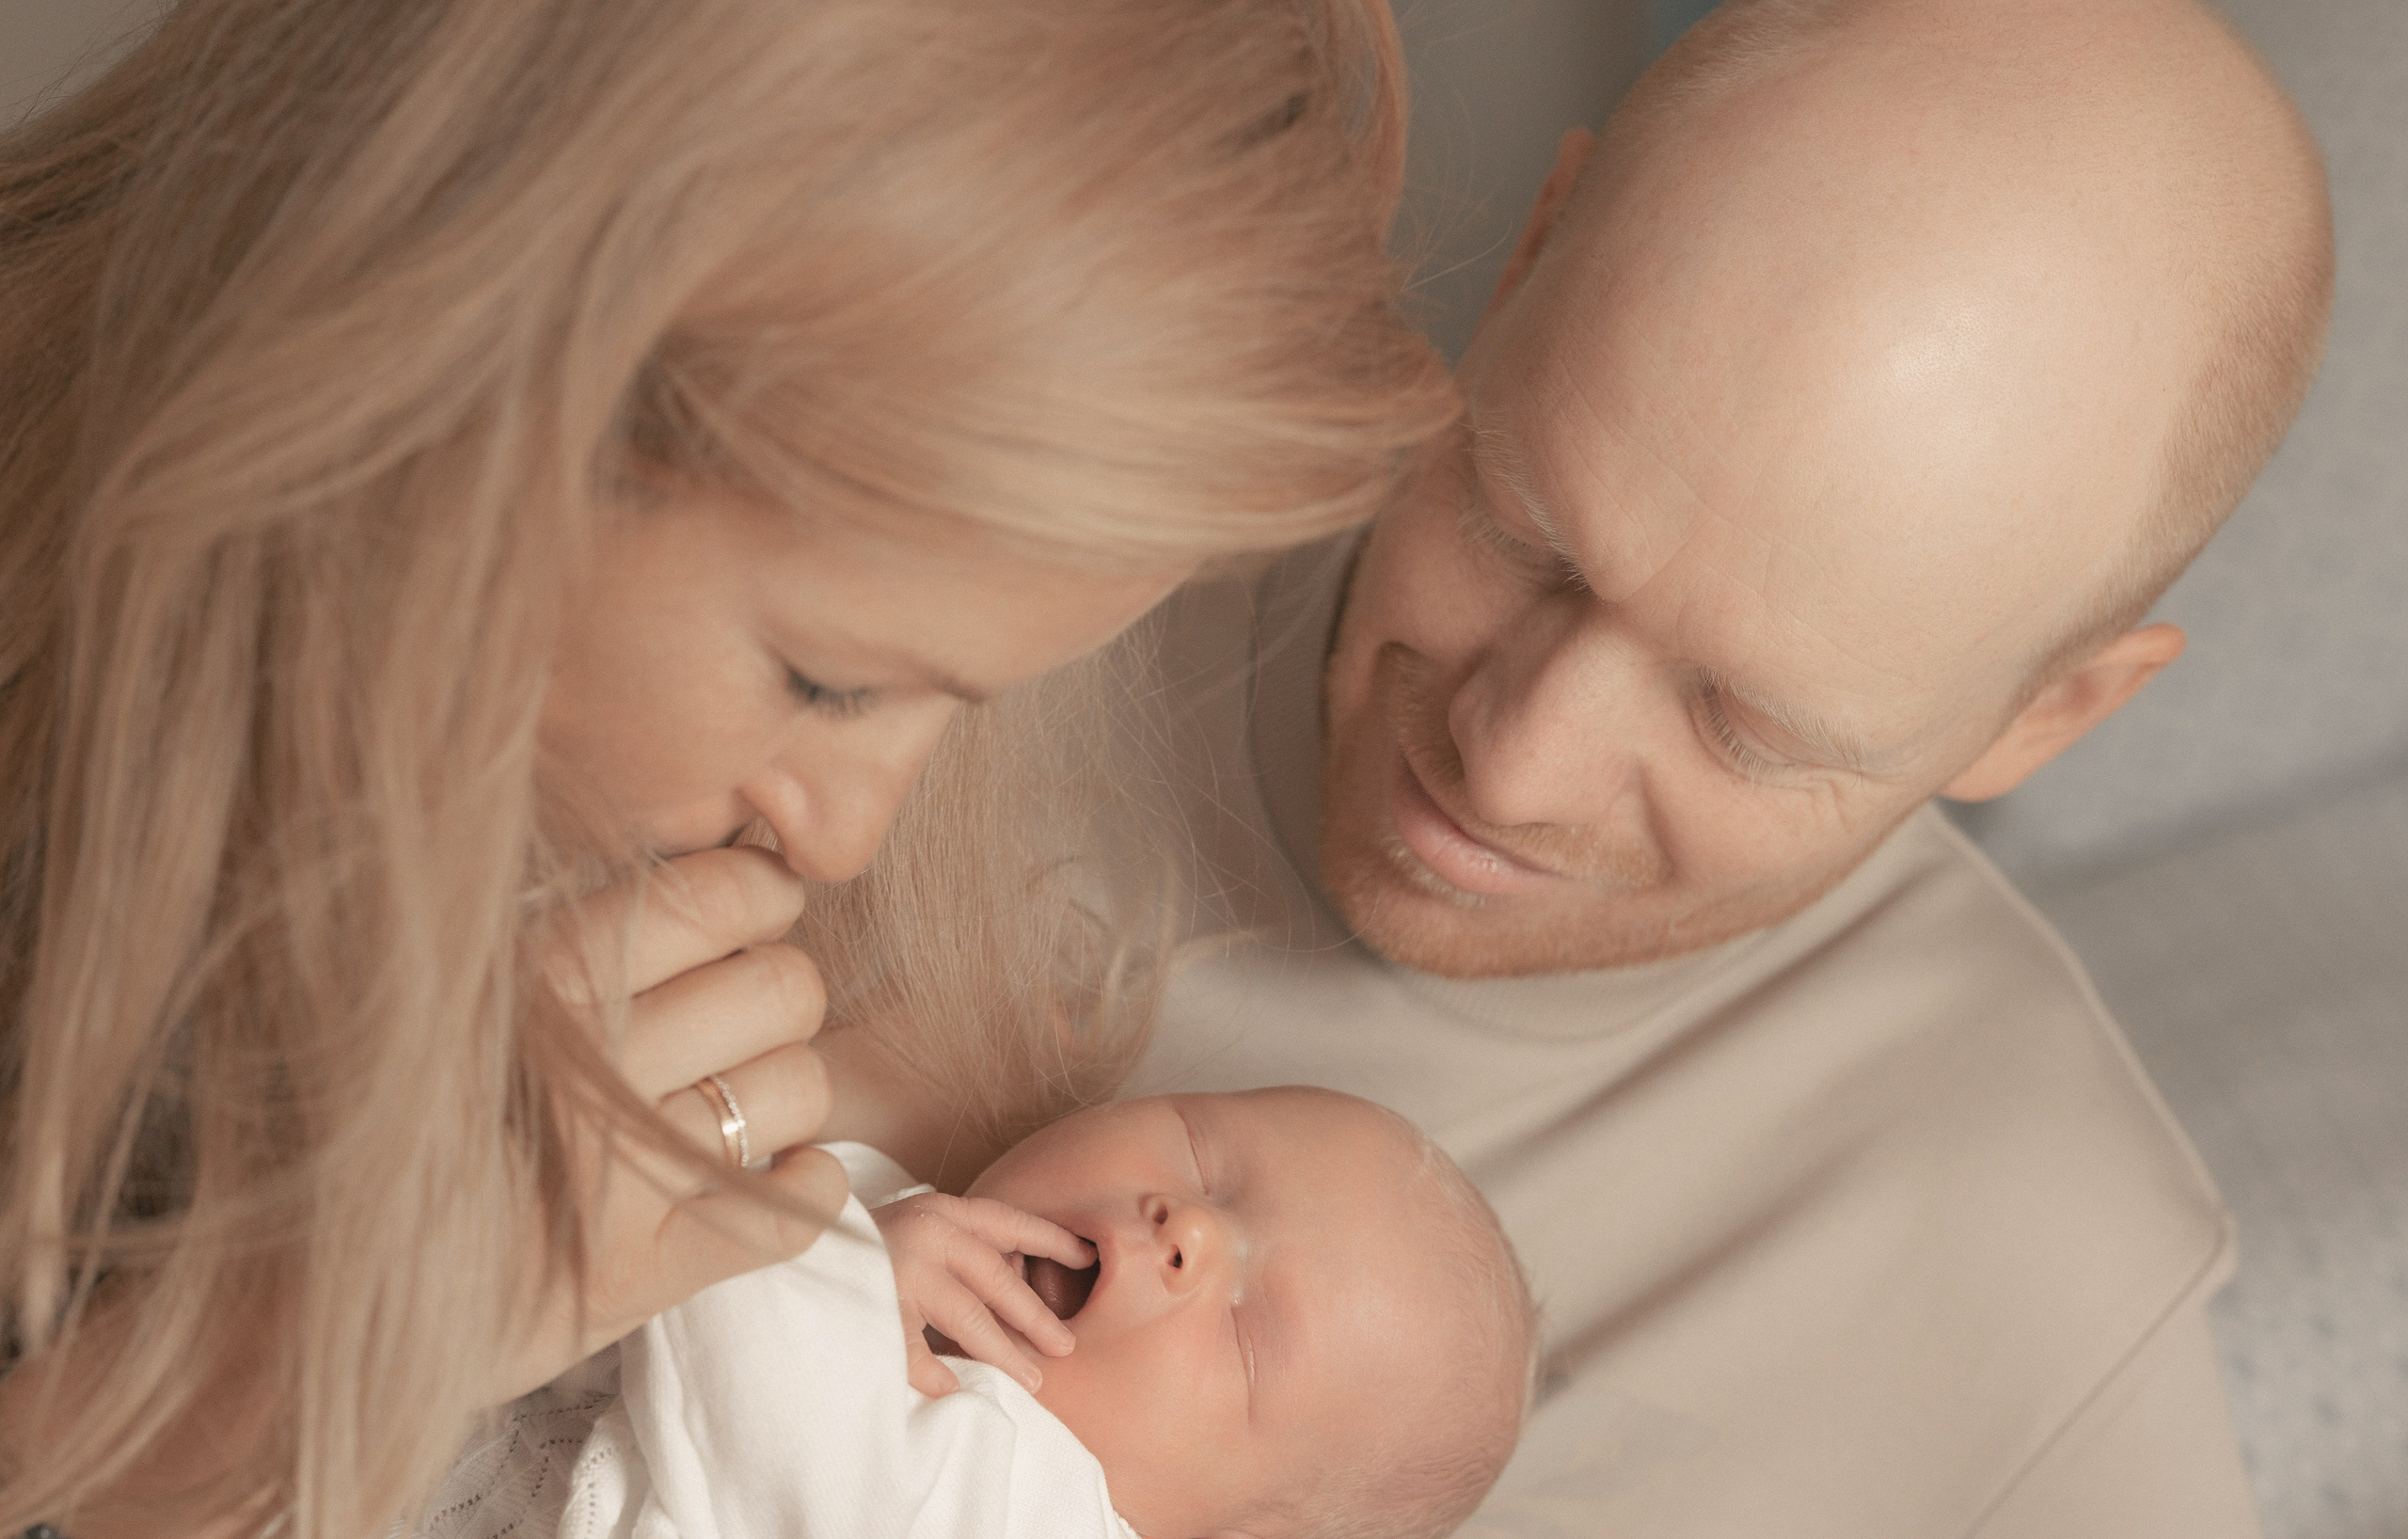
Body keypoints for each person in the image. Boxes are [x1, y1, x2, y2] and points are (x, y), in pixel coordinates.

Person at [0, 1, 1457, 1535]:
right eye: (828, 679)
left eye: (970, 702)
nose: (846, 833)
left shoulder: (896, 991)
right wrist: (261, 1373)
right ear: (463, 373)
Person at [1122, 0, 2335, 1534]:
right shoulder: (1028, 520)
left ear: (2049, 714)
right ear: (1531, 251)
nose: (1512, 769)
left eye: (1743, 724)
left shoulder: (2036, 1293)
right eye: (1520, 530)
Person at [412, 1087, 1534, 1539]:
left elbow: (764, 1389)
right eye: (1207, 1150)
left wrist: (843, 1260)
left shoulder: (1028, 1509)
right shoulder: (894, 1208)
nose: (1187, 1225)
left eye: (1252, 1333)